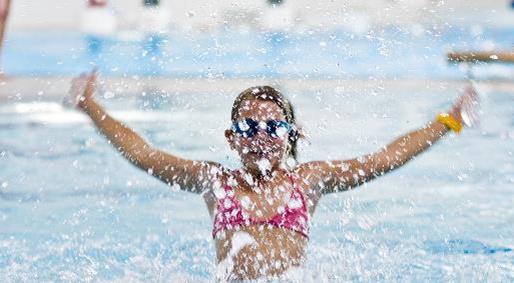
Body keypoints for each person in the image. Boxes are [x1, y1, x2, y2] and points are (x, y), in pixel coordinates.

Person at [66, 74, 479, 281]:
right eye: (248, 128)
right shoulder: (215, 181)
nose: (261, 137)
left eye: (273, 128)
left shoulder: (309, 180)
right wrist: (90, 106)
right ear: (231, 139)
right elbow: (143, 154)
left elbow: (385, 159)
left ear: (292, 135)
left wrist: (449, 121)